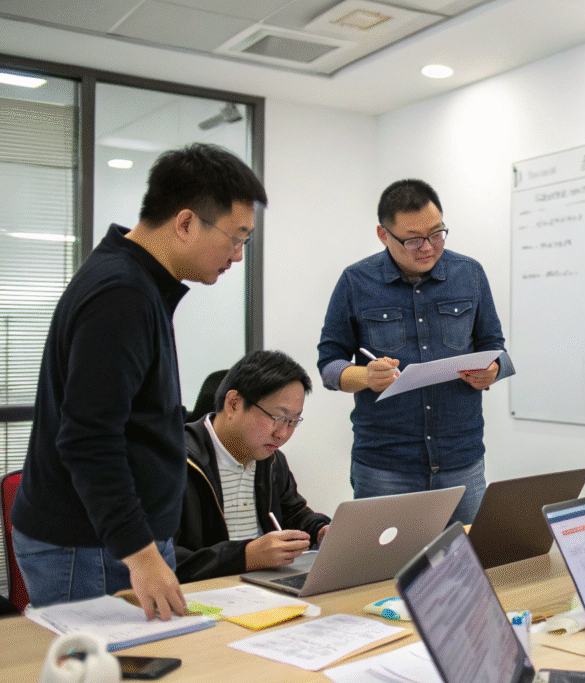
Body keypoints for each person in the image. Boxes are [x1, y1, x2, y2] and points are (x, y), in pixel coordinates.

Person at [11, 143, 267, 619]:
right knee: (106, 659)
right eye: (236, 238)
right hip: (91, 545)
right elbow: (89, 439)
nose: (237, 255)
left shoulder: (135, 281)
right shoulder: (122, 293)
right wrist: (142, 555)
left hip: (114, 540)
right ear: (186, 223)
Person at [317, 179, 514, 525]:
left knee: (466, 556)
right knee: (383, 561)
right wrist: (366, 376)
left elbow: (494, 346)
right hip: (385, 466)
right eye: (413, 239)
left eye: (437, 234)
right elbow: (329, 365)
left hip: (461, 461)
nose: (427, 247)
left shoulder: (469, 274)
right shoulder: (355, 282)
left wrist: (493, 370)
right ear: (383, 234)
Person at [174, 350, 330, 583]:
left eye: (293, 421)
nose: (282, 434)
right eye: (277, 418)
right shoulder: (175, 462)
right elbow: (161, 557)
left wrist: (320, 530)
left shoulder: (272, 460)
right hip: (205, 592)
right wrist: (245, 556)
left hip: (262, 588)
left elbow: (293, 513)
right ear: (234, 404)